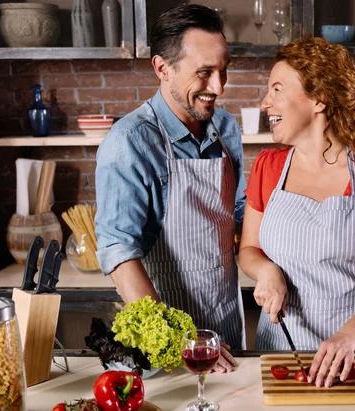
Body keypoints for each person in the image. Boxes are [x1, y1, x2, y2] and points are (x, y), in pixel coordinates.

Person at [238, 37, 355, 388]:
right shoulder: (268, 167)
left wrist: (347, 338)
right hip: (283, 352)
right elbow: (248, 250)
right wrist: (266, 271)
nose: (265, 103)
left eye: (277, 89)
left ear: (319, 99)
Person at [95, 4, 245, 373]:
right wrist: (176, 339)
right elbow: (118, 250)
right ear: (162, 68)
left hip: (225, 327)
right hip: (163, 347)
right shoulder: (129, 141)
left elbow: (239, 215)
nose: (218, 87)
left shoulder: (226, 129)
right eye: (204, 73)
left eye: (223, 71)